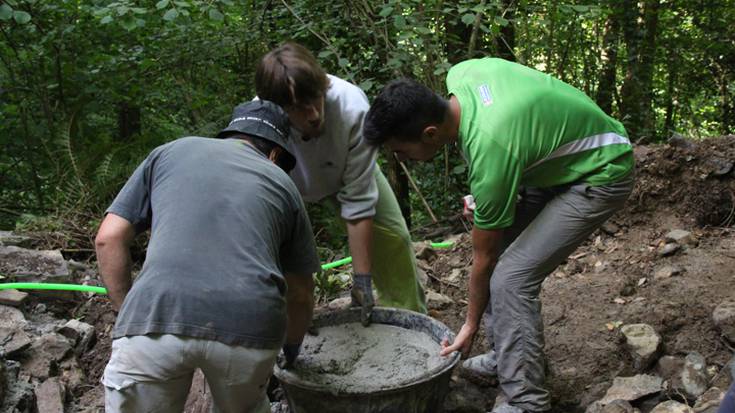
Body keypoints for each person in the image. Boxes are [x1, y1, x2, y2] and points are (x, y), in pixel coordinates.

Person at [363, 58, 635, 413]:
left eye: (400, 151)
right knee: (499, 244)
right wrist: (499, 189)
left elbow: (484, 259)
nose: (401, 159)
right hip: (553, 164)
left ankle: (525, 400)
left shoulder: (492, 152)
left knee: (509, 278)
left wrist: (470, 325)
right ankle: (506, 355)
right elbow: (522, 130)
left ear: (430, 133)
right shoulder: (462, 75)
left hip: (601, 171)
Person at [95, 100, 320, 413]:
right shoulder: (282, 183)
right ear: (275, 154)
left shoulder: (169, 153)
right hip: (249, 328)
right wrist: (291, 348)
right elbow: (300, 293)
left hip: (154, 317)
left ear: (229, 135)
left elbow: (108, 239)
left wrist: (131, 315)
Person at [254, 42, 426, 324]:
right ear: (278, 109)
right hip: (290, 185)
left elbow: (358, 203)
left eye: (316, 99)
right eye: (298, 108)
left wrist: (362, 281)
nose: (313, 114)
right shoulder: (261, 125)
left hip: (346, 170)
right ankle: (286, 327)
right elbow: (268, 215)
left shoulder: (352, 106)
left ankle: (409, 321)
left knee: (395, 239)